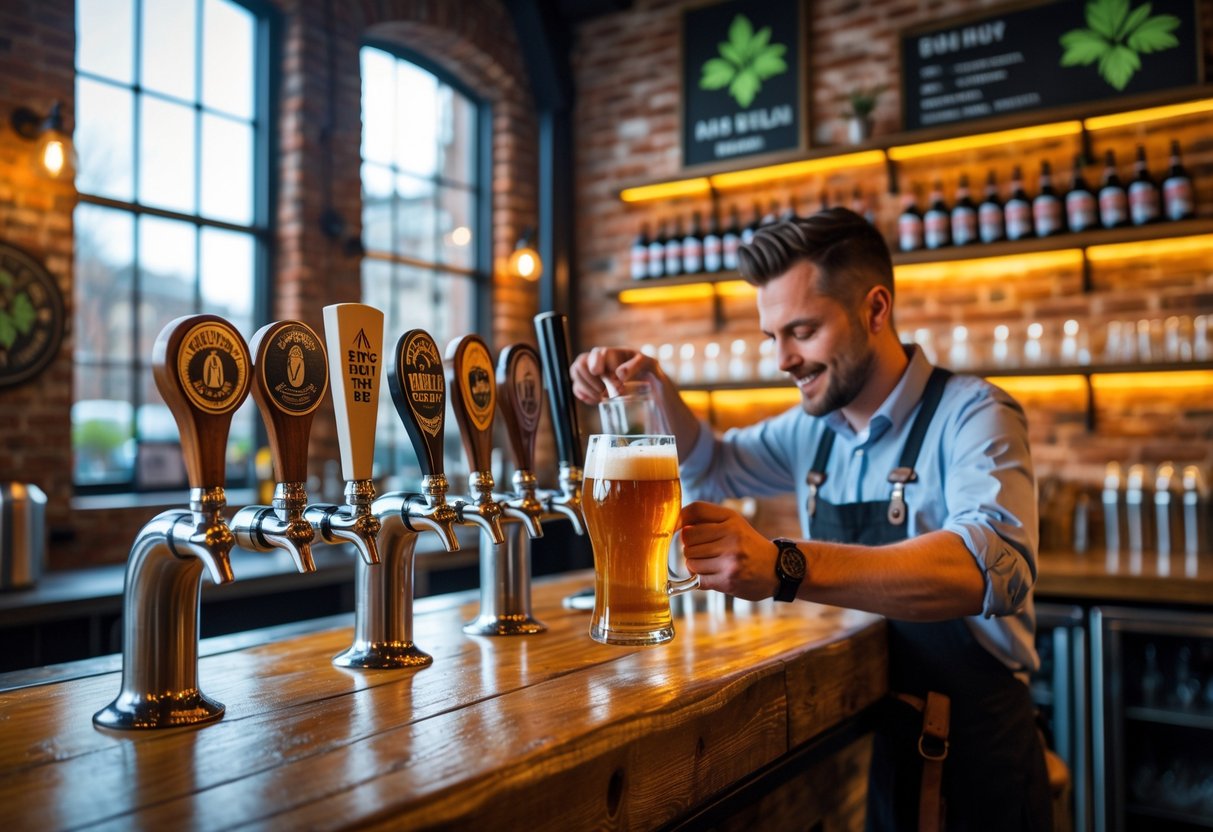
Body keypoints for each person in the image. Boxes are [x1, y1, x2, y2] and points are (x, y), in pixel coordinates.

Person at [571, 208, 1050, 831]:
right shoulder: (814, 432)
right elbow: (714, 466)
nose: (783, 359)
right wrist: (657, 385)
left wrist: (785, 564)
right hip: (891, 736)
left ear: (875, 310)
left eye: (801, 330)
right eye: (772, 336)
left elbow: (992, 567)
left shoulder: (974, 413)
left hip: (979, 755)